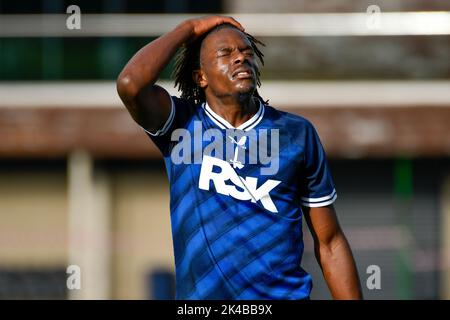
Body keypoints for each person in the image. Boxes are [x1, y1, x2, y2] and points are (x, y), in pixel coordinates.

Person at [117, 15, 362, 300]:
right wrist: (189, 29)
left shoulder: (296, 133)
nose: (240, 59)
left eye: (247, 53)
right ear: (201, 77)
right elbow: (130, 83)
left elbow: (330, 242)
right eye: (226, 53)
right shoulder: (179, 123)